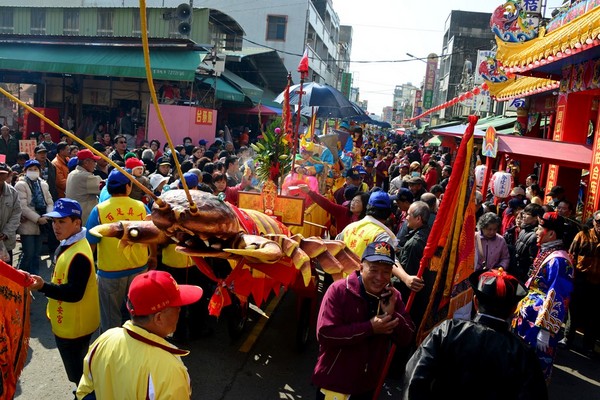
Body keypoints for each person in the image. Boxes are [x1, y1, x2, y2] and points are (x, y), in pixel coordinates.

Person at [403, 268, 548, 400]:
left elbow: (415, 378)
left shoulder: (448, 331)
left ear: (476, 302)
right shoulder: (523, 353)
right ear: (513, 309)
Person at [76, 270, 203, 399]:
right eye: (177, 306)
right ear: (158, 318)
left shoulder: (104, 340)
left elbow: (84, 392)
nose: (180, 310)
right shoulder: (170, 369)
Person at [312, 241, 415, 399]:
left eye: (386, 272)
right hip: (336, 384)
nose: (380, 278)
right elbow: (325, 334)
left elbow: (406, 338)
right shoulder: (339, 290)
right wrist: (370, 328)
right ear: (361, 267)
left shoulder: (393, 296)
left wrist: (392, 314)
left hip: (368, 386)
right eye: (374, 270)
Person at [28, 198, 100, 387]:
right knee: (81, 369)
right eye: (54, 221)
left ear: (77, 223)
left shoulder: (79, 255)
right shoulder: (70, 243)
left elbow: (74, 293)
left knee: (78, 374)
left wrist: (43, 286)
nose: (56, 227)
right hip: (70, 321)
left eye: (62, 221)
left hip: (74, 327)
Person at [86, 169, 154, 332]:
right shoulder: (142, 207)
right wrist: (153, 256)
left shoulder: (99, 210)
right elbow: (152, 234)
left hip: (111, 272)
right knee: (139, 315)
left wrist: (89, 268)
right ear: (128, 187)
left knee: (110, 319)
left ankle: (112, 351)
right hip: (139, 268)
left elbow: (91, 243)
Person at [512, 212, 574, 383]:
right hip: (528, 317)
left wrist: (546, 329)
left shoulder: (559, 261)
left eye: (540, 228)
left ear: (552, 234)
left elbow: (558, 296)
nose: (537, 231)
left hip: (539, 324)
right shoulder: (548, 252)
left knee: (534, 372)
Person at [563, 210, 600, 355]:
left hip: (597, 283)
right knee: (574, 311)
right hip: (580, 279)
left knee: (594, 315)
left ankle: (588, 346)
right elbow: (571, 256)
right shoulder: (582, 235)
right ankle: (567, 338)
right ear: (594, 221)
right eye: (599, 222)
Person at [15, 159, 54, 275]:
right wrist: (38, 219)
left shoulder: (43, 184)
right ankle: (20, 278)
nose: (33, 171)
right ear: (25, 171)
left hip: (42, 223)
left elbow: (49, 201)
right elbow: (23, 206)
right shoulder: (20, 184)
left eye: (35, 169)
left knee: (36, 254)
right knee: (28, 254)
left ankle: (34, 278)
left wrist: (48, 215)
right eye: (30, 169)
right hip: (28, 224)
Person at [299, 184, 369, 237]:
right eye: (353, 200)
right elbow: (326, 204)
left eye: (357, 202)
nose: (353, 203)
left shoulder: (367, 220)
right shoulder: (343, 212)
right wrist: (310, 192)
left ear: (365, 205)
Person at [65, 149, 102, 225]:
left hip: (75, 216)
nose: (95, 164)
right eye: (93, 161)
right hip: (85, 218)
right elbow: (106, 187)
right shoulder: (85, 176)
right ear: (86, 162)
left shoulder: (72, 173)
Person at [513, 203, 544, 282]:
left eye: (528, 214)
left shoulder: (535, 236)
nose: (524, 215)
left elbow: (532, 260)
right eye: (524, 213)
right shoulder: (523, 229)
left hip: (523, 274)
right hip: (516, 269)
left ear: (535, 218)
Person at [0, 163, 21, 264]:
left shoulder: (12, 192)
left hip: (6, 241)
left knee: (7, 275)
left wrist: (6, 232)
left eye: (2, 174)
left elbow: (16, 214)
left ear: (8, 175)